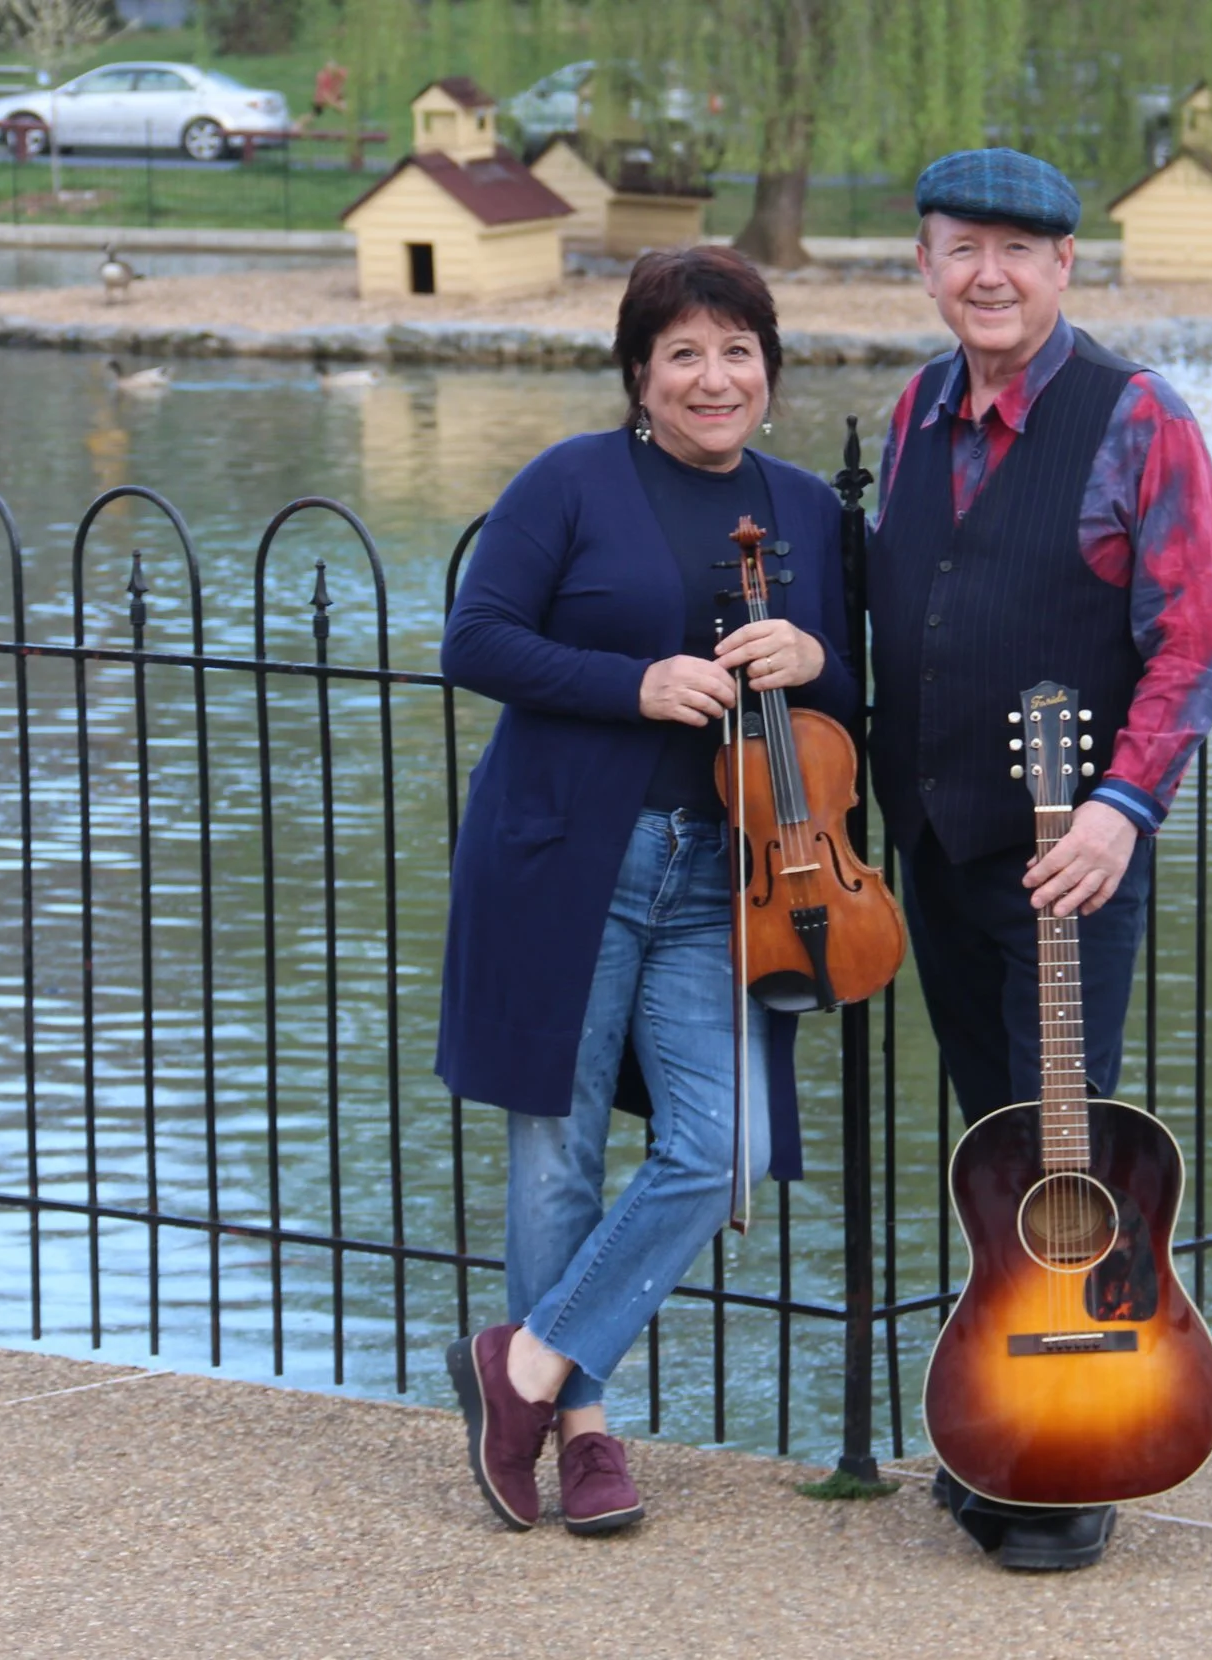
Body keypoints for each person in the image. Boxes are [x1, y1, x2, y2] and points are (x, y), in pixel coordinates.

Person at [436, 246, 857, 1536]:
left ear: (769, 375)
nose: (712, 376)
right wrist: (630, 683)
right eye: (683, 353)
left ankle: (522, 1362)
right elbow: (477, 638)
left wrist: (818, 648)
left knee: (717, 1146)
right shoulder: (571, 480)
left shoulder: (810, 516)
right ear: (639, 374)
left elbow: (851, 714)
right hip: (571, 854)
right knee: (557, 1149)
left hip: (728, 879)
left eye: (737, 351)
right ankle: (585, 1434)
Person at [868, 147, 1212, 1572]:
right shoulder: (914, 411)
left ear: (1067, 266)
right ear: (926, 262)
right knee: (990, 1141)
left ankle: (1067, 1460)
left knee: (1056, 1133)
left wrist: (1120, 808)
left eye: (1020, 251)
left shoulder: (1138, 418)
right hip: (940, 842)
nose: (990, 275)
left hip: (1073, 857)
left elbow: (1193, 643)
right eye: (962, 248)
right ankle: (1006, 1423)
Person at [305, 59, 348, 130]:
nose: (332, 71)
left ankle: (352, 126)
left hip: (336, 95)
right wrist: (336, 105)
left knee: (346, 109)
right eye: (329, 69)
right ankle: (298, 126)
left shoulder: (341, 72)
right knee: (314, 114)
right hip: (322, 99)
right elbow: (325, 95)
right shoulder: (323, 77)